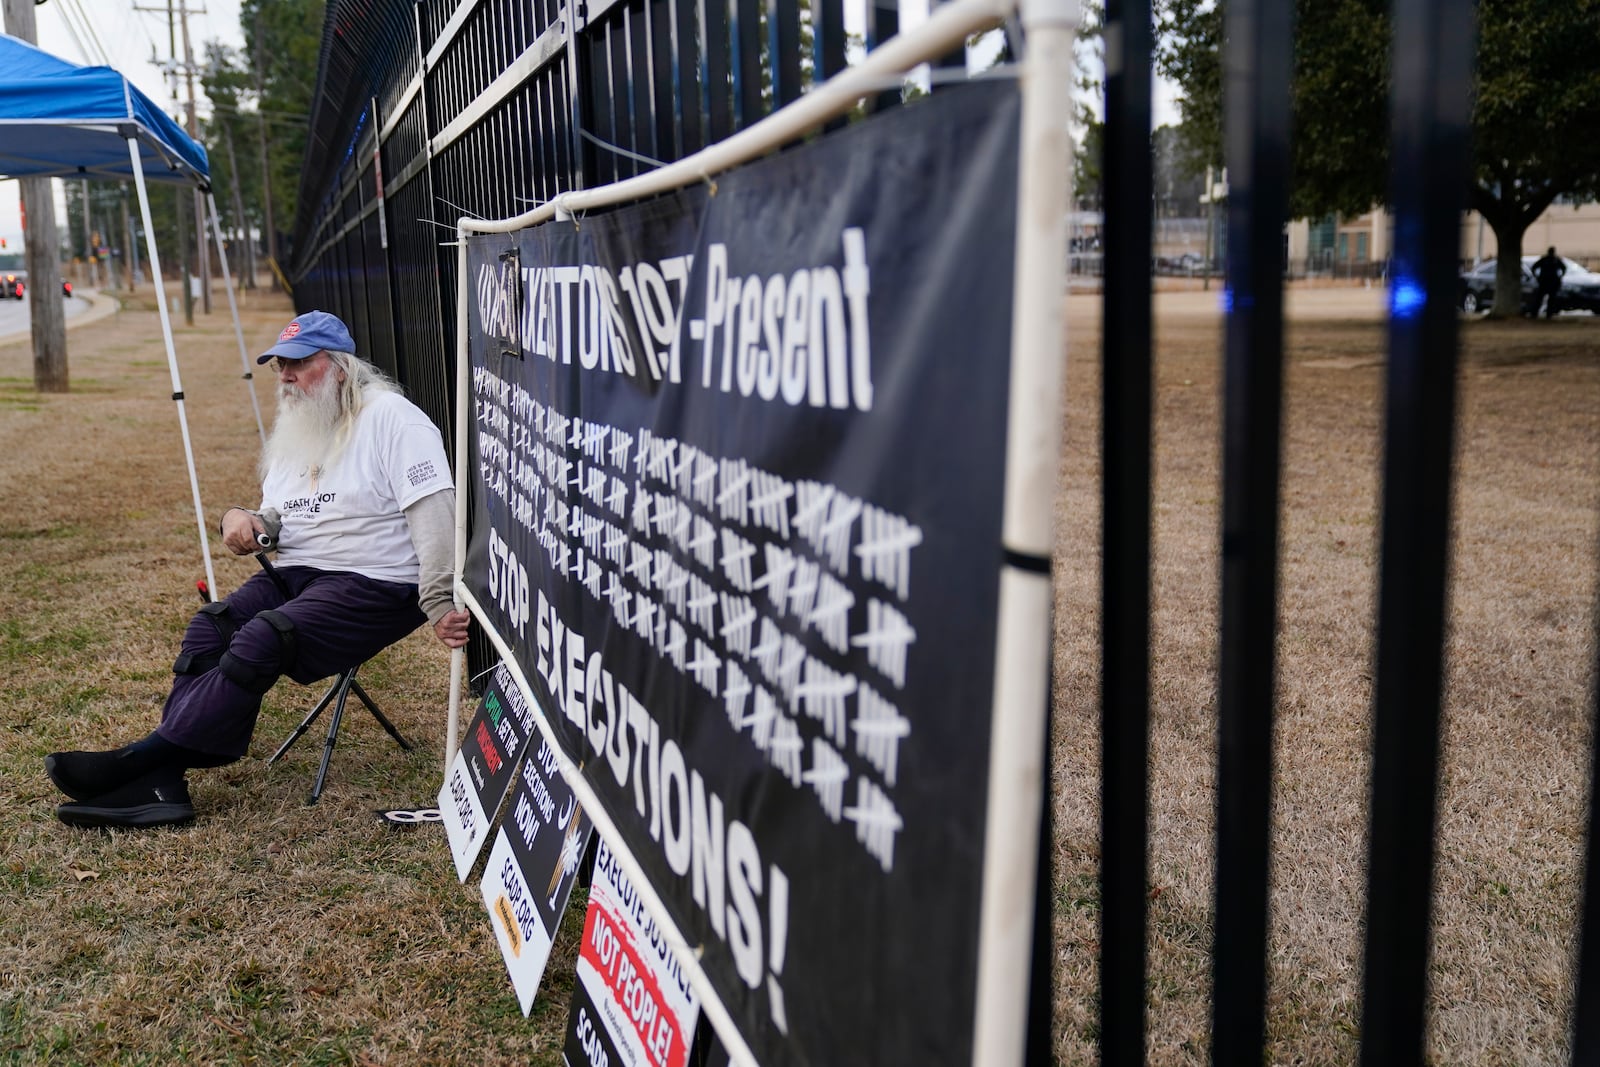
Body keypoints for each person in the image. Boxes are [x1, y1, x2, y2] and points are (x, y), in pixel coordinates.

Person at [45, 311, 472, 829]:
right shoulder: (299, 422)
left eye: (297, 364)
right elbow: (279, 517)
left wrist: (438, 601)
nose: (285, 377)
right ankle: (163, 780)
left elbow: (435, 511)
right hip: (299, 573)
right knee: (212, 625)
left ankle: (148, 761)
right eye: (278, 366)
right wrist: (242, 520)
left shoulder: (393, 418)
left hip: (377, 583)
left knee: (266, 635)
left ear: (339, 367)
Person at [1533, 246, 1566, 319]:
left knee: (1549, 300)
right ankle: (1537, 313)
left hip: (1550, 282)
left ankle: (1548, 314)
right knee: (1540, 299)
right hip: (1545, 282)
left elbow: (1564, 268)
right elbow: (1534, 267)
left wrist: (1559, 277)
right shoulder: (1548, 259)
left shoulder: (1554, 260)